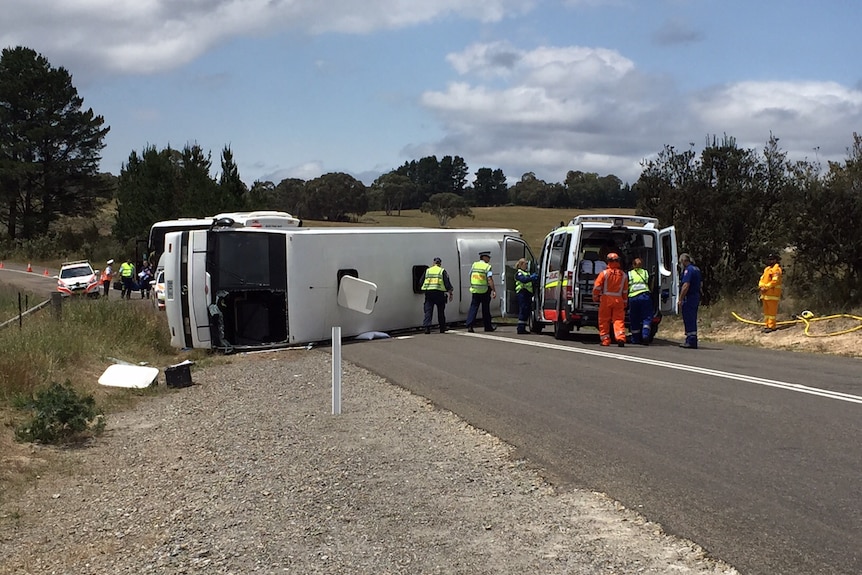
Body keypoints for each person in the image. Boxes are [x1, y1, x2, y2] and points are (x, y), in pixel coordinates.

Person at [592, 252, 628, 347]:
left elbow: (597, 287)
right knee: (619, 320)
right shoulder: (623, 275)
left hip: (606, 299)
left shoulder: (604, 273)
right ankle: (620, 337)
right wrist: (625, 302)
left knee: (604, 320)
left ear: (608, 261)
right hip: (618, 299)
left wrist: (595, 297)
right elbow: (625, 291)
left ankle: (605, 340)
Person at [465, 251, 496, 333]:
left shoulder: (474, 265)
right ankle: (487, 326)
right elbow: (489, 279)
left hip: (475, 289)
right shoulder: (487, 267)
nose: (489, 259)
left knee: (473, 307)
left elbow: (470, 275)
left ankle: (470, 325)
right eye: (488, 257)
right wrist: (493, 290)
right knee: (485, 309)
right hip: (484, 290)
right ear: (484, 257)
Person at [421, 257, 454, 334]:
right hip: (439, 293)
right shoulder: (442, 271)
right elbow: (447, 282)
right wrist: (450, 292)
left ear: (433, 263)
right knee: (441, 311)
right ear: (440, 263)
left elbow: (421, 281)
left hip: (429, 293)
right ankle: (442, 328)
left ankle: (427, 328)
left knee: (428, 311)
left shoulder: (428, 270)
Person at [677, 253, 702, 349]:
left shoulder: (688, 270)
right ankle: (692, 339)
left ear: (684, 261)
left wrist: (680, 298)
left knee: (689, 318)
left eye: (681, 262)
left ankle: (690, 340)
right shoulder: (696, 269)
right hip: (695, 296)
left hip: (689, 297)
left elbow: (685, 285)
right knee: (693, 318)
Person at [627, 257, 653, 345]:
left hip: (633, 298)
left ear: (633, 265)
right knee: (647, 317)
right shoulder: (645, 272)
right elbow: (650, 283)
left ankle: (635, 339)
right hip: (645, 296)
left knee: (634, 318)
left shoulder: (630, 274)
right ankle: (645, 335)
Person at [758, 252, 783, 333]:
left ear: (775, 260)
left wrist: (766, 287)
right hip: (765, 295)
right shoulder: (767, 269)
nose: (770, 261)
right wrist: (761, 286)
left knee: (772, 312)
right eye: (769, 259)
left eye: (772, 259)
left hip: (772, 294)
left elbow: (775, 281)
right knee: (766, 312)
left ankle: (772, 326)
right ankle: (767, 325)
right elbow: (762, 279)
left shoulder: (777, 270)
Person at [514, 258, 537, 334]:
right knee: (523, 310)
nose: (526, 265)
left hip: (527, 293)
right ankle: (520, 328)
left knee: (526, 310)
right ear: (521, 265)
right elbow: (523, 280)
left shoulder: (526, 273)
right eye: (525, 264)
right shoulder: (519, 273)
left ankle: (523, 327)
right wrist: (531, 278)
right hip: (522, 293)